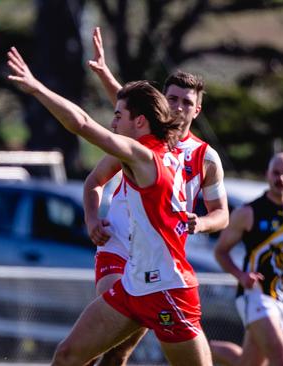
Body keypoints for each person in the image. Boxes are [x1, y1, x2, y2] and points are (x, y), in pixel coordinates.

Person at [7, 47, 213, 366]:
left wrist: (38, 88)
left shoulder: (144, 156)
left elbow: (83, 124)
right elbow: (138, 105)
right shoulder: (162, 146)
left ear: (140, 122)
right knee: (67, 356)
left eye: (118, 116)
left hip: (169, 288)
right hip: (135, 283)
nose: (113, 122)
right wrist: (107, 76)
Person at [83, 27, 229, 365]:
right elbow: (125, 113)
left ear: (198, 110)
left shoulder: (204, 157)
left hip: (155, 259)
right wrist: (92, 218)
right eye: (172, 99)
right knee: (95, 343)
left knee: (119, 351)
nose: (178, 107)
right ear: (162, 102)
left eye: (187, 102)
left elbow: (221, 212)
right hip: (116, 244)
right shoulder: (142, 143)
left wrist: (202, 223)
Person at [209, 152, 283, 366]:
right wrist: (241, 275)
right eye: (276, 173)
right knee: (282, 354)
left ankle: (198, 349)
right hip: (255, 295)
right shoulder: (248, 212)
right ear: (267, 175)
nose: (280, 178)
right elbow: (221, 251)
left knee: (249, 363)